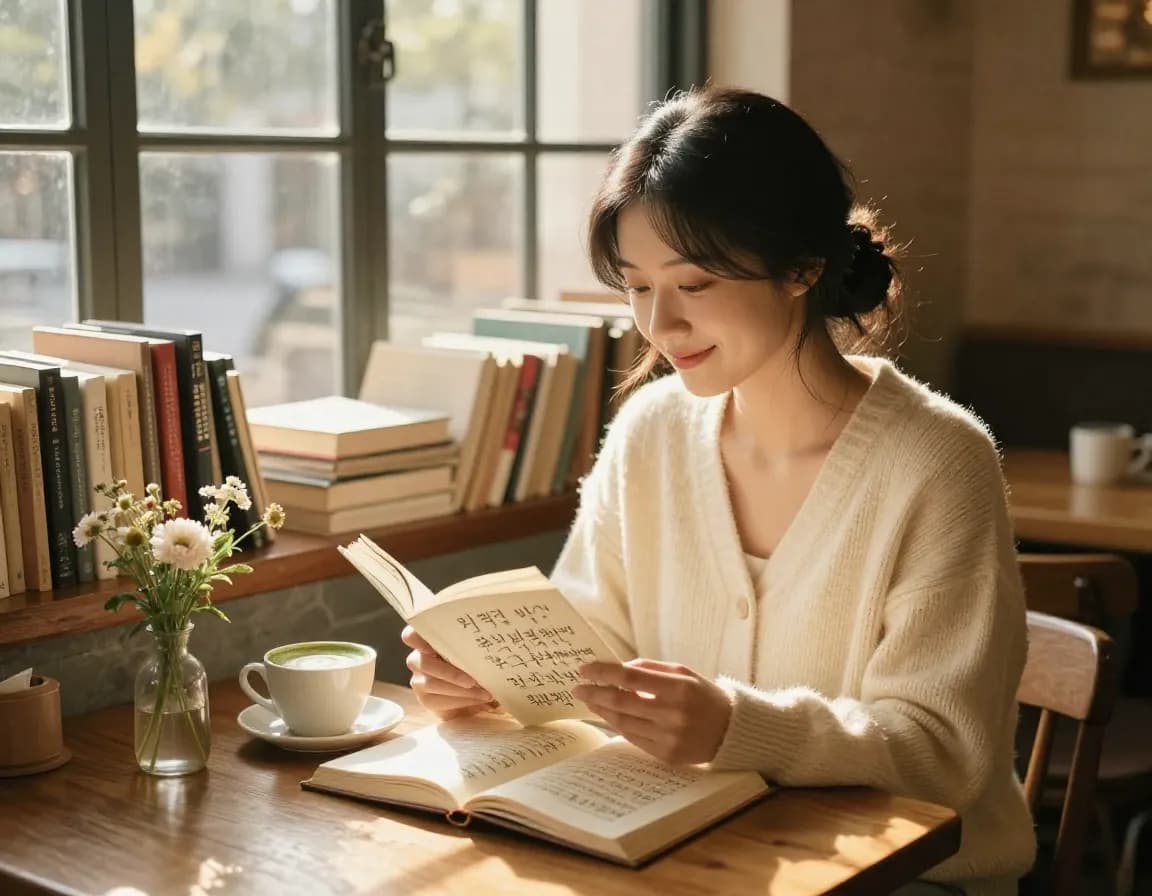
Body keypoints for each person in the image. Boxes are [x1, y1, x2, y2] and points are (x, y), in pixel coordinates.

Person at [402, 87, 1035, 896]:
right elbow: (589, 648)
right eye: (635, 286)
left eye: (694, 285)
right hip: (688, 853)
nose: (659, 326)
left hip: (908, 876)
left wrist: (739, 727)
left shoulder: (939, 461)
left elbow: (942, 751)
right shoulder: (651, 433)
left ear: (802, 267)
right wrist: (497, 674)